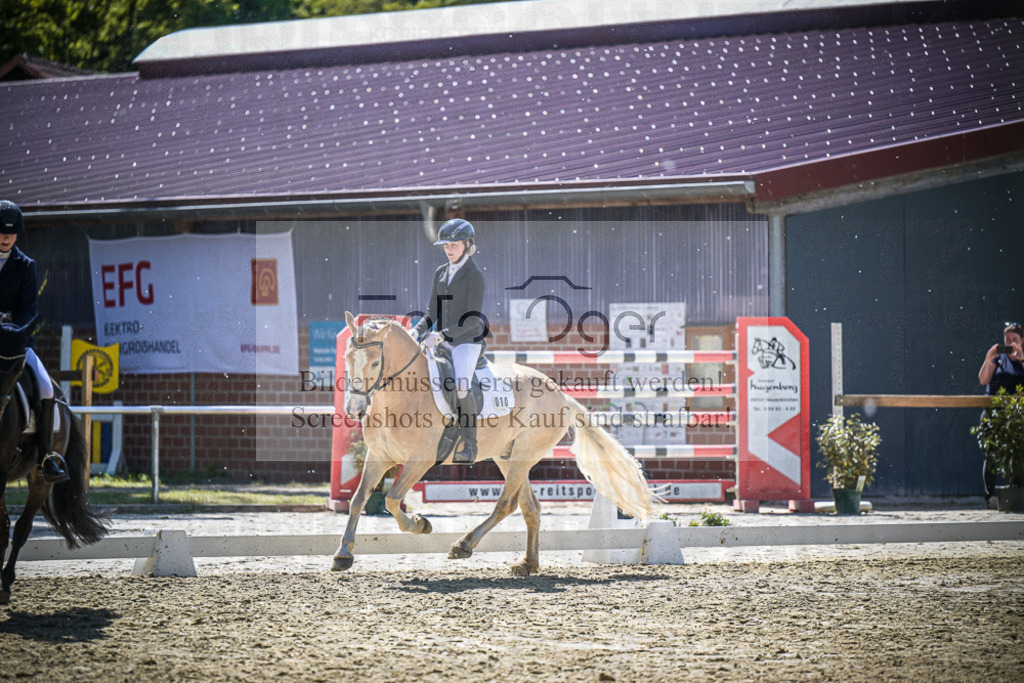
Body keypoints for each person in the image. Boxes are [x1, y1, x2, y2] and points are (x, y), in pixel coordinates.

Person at [0, 200, 67, 483]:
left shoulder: (26, 266)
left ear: (18, 234)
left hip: (15, 342)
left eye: (12, 233)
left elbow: (30, 309)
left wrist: (15, 330)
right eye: (2, 232)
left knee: (45, 388)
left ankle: (46, 457)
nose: (6, 236)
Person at [412, 218, 487, 464]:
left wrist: (442, 335)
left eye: (454, 245)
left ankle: (470, 445)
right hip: (440, 339)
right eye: (446, 245)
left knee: (462, 386)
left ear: (467, 245)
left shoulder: (475, 275)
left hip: (466, 340)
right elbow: (431, 311)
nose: (449, 249)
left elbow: (472, 321)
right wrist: (417, 331)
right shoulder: (440, 272)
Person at [977, 321, 1024, 507]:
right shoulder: (998, 359)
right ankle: (990, 496)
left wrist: (1021, 358)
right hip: (994, 413)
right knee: (991, 454)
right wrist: (988, 358)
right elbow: (983, 380)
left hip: (1017, 415)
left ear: (1021, 340)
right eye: (1007, 340)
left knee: (1019, 453)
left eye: (1014, 339)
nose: (1010, 343)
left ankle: (1017, 490)